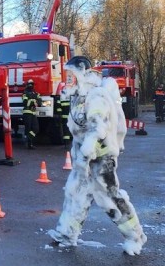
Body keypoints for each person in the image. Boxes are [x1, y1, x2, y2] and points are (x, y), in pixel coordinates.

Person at [48, 56, 147, 255]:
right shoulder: (79, 97)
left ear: (82, 72)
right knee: (77, 192)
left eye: (71, 75)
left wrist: (86, 153)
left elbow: (97, 129)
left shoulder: (96, 96)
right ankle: (67, 233)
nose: (68, 79)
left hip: (100, 158)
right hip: (83, 158)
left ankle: (135, 236)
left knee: (109, 197)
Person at [22, 79, 40, 149]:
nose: (30, 85)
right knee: (28, 129)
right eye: (29, 84)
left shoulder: (36, 93)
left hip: (33, 113)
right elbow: (25, 103)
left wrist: (36, 102)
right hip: (27, 113)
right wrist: (33, 102)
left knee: (36, 128)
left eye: (32, 84)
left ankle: (28, 139)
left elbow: (40, 102)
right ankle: (30, 144)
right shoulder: (25, 93)